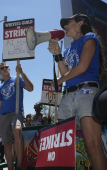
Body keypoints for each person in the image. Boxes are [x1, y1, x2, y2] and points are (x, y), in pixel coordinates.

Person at [48, 13, 107, 169]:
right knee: (62, 145)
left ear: (80, 23)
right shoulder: (67, 50)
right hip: (67, 97)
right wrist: (58, 55)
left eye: (68, 22)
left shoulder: (89, 38)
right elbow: (64, 72)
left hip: (86, 92)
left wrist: (58, 82)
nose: (65, 26)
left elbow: (82, 67)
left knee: (92, 143)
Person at [0, 62, 33, 170]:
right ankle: (10, 168)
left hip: (16, 112)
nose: (5, 69)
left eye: (6, 67)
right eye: (2, 68)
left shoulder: (17, 78)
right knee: (7, 144)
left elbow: (31, 88)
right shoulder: (0, 87)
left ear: (9, 69)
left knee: (17, 130)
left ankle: (19, 166)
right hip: (3, 115)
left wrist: (22, 73)